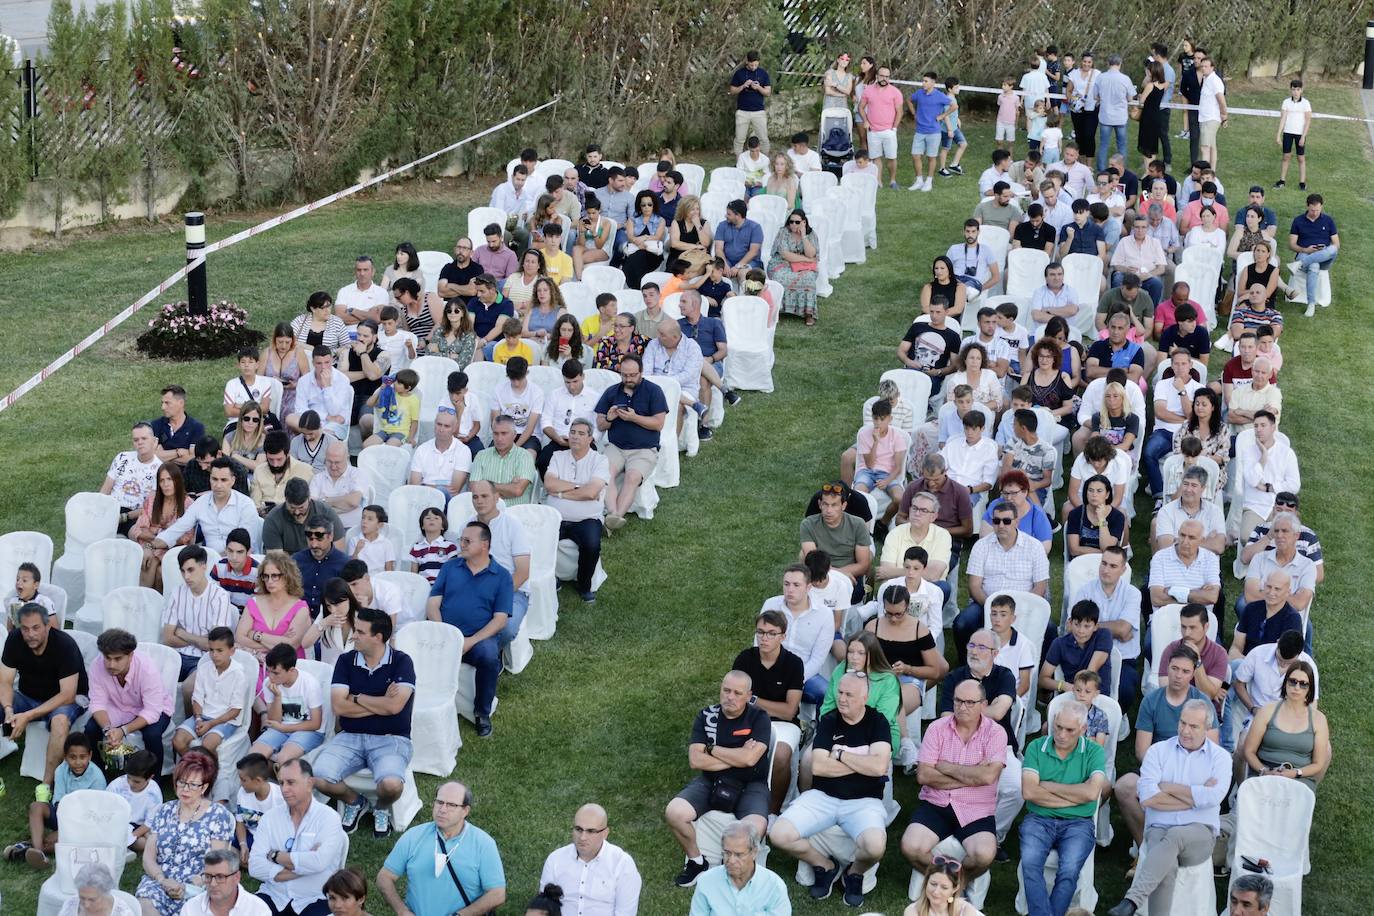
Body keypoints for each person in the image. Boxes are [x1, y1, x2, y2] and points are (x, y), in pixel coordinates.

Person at [770, 672, 891, 908]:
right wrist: (860, 765)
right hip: (823, 797)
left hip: (863, 802)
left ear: (864, 697)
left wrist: (840, 754)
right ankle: (824, 865)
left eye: (849, 694)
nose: (842, 699)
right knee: (778, 834)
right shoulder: (829, 720)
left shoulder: (878, 722)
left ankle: (854, 873)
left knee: (875, 846)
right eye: (840, 692)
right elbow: (819, 767)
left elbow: (878, 767)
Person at [1104, 700, 1230, 916]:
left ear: (1207, 728)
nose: (1185, 730)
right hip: (1158, 828)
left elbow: (1214, 797)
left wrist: (1168, 787)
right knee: (1167, 863)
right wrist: (1195, 795)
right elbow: (1147, 798)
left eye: (1193, 726)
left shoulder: (1220, 758)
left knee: (1175, 836)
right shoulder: (1158, 751)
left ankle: (1131, 901)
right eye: (1182, 723)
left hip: (1199, 834)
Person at [312, 608, 415, 838]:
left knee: (392, 786)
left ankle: (381, 807)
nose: (353, 635)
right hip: (349, 737)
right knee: (317, 777)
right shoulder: (345, 661)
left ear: (377, 637)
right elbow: (339, 706)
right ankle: (355, 802)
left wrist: (356, 697)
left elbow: (395, 707)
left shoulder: (402, 662)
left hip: (391, 739)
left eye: (360, 631)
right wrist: (381, 703)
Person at [664, 671, 772, 889]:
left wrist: (712, 749)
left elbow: (751, 759)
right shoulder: (707, 716)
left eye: (737, 693)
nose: (730, 697)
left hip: (751, 784)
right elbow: (696, 760)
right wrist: (738, 757)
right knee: (674, 812)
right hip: (711, 780)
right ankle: (697, 862)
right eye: (726, 690)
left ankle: (734, 869)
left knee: (756, 827)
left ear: (748, 695)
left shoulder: (759, 717)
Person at [902, 678, 1006, 887]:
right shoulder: (936, 728)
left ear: (983, 705)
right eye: (958, 701)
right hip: (936, 804)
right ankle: (944, 881)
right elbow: (923, 776)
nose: (962, 707)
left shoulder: (995, 733)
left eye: (969, 702)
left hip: (976, 809)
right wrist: (973, 775)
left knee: (984, 855)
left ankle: (956, 884)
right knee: (909, 846)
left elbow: (987, 777)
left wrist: (945, 766)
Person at [1018, 700, 1107, 916]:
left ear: (1083, 729)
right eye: (1058, 727)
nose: (1062, 734)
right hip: (1038, 819)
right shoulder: (1036, 746)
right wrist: (1076, 797)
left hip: (1078, 824)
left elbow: (1091, 793)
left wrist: (1047, 787)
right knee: (1030, 864)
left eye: (1070, 730)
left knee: (1068, 871)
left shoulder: (1094, 751)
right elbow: (1029, 792)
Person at [426, 521, 511, 738]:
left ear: (485, 545)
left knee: (489, 655)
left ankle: (482, 713)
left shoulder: (501, 576)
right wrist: (443, 631)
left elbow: (500, 619)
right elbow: (433, 603)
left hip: (477, 639)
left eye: (467, 541)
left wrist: (471, 641)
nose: (461, 544)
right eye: (461, 539)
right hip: (445, 633)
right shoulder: (450, 567)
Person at [378, 781, 506, 916]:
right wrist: (402, 911)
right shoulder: (413, 836)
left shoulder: (483, 844)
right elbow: (384, 877)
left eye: (451, 805)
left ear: (465, 811)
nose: (442, 809)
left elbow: (497, 894)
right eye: (439, 802)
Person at [137, 751, 236, 916]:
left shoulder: (218, 815)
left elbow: (218, 863)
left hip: (199, 884)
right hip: (160, 880)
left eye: (192, 785)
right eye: (181, 783)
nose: (185, 789)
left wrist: (190, 885)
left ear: (204, 787)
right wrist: (162, 880)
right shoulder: (164, 810)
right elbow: (148, 857)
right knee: (145, 905)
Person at [0, 601, 86, 789]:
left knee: (60, 722)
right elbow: (5, 681)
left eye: (36, 628)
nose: (30, 634)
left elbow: (68, 695)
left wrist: (27, 716)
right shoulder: (14, 639)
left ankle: (46, 785)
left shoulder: (64, 645)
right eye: (25, 629)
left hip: (64, 700)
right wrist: (8, 709)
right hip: (29, 696)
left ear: (48, 626)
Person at [249, 758, 346, 916]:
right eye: (281, 783)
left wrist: (275, 856)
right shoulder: (270, 817)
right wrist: (305, 866)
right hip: (274, 894)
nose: (284, 789)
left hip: (315, 898)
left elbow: (320, 862)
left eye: (291, 782)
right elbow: (254, 866)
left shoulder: (329, 818)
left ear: (310, 783)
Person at [954, 499, 1049, 660]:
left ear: (1017, 522)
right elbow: (974, 586)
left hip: (1024, 606)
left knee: (1049, 629)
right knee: (962, 624)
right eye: (996, 521)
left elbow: (1040, 586)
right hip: (987, 603)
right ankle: (967, 666)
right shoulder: (981, 546)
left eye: (1006, 521)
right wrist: (994, 609)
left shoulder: (1034, 546)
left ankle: (1039, 671)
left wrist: (1017, 611)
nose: (1001, 525)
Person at [8, 731, 104, 869]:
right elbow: (58, 801)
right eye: (72, 757)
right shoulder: (60, 771)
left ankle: (32, 850)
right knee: (36, 806)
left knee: (79, 840)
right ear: (65, 757)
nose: (78, 762)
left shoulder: (97, 777)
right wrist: (63, 827)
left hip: (85, 823)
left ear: (90, 755)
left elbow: (95, 813)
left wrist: (67, 830)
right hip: (63, 815)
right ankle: (38, 849)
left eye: (82, 757)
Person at [595, 355, 669, 529]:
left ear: (641, 373)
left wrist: (635, 418)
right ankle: (614, 515)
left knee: (632, 476)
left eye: (632, 375)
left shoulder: (653, 391)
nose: (628, 379)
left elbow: (659, 424)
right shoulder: (612, 392)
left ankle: (615, 517)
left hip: (644, 449)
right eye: (624, 375)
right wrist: (609, 418)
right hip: (616, 447)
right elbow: (600, 424)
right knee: (606, 473)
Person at [538, 803, 643, 916]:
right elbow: (543, 908)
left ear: (605, 833)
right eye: (578, 829)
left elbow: (625, 913)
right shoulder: (555, 859)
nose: (582, 837)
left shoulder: (622, 865)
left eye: (591, 831)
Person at [1240, 658, 1327, 790]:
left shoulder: (1318, 719)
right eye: (1293, 682)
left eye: (1303, 684)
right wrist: (1265, 771)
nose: (1297, 687)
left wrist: (1294, 773)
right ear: (1285, 683)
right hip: (1265, 773)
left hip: (1299, 778)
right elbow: (1249, 751)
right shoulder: (1267, 711)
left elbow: (1318, 763)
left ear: (1310, 689)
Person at [172, 627, 244, 758]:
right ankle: (194, 769)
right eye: (211, 650)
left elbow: (235, 710)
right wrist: (199, 719)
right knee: (178, 741)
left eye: (220, 650)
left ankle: (207, 773)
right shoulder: (204, 668)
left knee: (207, 746)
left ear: (232, 651)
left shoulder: (238, 674)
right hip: (202, 716)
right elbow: (197, 698)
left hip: (226, 720)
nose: (214, 655)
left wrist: (211, 724)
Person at [689, 821, 788, 915]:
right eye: (727, 853)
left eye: (738, 855)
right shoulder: (706, 882)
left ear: (754, 853)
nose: (731, 860)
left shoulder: (774, 886)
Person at [1235, 411, 1299, 545]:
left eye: (1263, 425)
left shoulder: (1287, 453)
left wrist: (1268, 487)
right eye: (1256, 426)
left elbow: (1294, 485)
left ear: (1273, 427)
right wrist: (1263, 458)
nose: (1258, 429)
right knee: (1247, 537)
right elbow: (1252, 480)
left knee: (1287, 539)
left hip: (1280, 506)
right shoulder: (1249, 452)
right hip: (1255, 506)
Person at [101, 421, 163, 535]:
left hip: (135, 515)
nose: (140, 442)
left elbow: (150, 507)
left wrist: (125, 517)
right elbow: (105, 489)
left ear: (154, 441)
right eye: (136, 440)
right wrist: (99, 508)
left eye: (144, 438)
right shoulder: (122, 457)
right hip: (111, 509)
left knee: (140, 537)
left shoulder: (160, 469)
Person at [261, 478, 345, 555]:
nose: (297, 512)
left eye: (301, 508)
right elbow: (276, 559)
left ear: (309, 499)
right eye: (292, 507)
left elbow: (339, 550)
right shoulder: (273, 519)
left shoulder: (325, 512)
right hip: (288, 568)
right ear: (285, 500)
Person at [766, 208, 821, 326]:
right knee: (779, 276)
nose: (793, 224)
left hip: (802, 267)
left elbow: (811, 253)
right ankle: (778, 310)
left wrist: (804, 236)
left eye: (797, 222)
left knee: (809, 278)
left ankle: (808, 313)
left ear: (804, 222)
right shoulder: (783, 232)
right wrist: (807, 259)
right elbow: (785, 254)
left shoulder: (811, 234)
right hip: (781, 263)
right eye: (791, 221)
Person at [900, 298, 963, 394]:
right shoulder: (917, 327)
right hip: (910, 371)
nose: (934, 316)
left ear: (946, 312)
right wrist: (908, 361)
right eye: (932, 311)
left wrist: (938, 372)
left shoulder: (953, 336)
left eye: (938, 312)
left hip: (932, 377)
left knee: (919, 388)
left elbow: (954, 366)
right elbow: (901, 350)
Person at [1287, 193, 1338, 312]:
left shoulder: (1328, 220)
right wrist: (1306, 250)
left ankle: (1299, 264)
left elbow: (1336, 243)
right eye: (1312, 210)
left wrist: (1322, 251)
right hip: (1305, 252)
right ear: (1307, 206)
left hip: (1324, 256)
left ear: (1322, 207)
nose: (1315, 213)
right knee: (1314, 265)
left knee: (1333, 249)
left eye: (1317, 210)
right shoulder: (1298, 221)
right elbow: (1291, 244)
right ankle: (1311, 304)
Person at [183, 848, 272, 915]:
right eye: (208, 876)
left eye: (220, 877)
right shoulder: (190, 908)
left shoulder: (258, 910)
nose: (213, 884)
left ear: (237, 877)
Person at [857, 65, 904, 189]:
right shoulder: (868, 90)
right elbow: (860, 107)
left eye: (887, 77)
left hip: (889, 131)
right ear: (877, 76)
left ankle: (892, 181)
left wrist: (894, 128)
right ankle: (878, 181)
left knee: (892, 157)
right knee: (876, 157)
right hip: (873, 131)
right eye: (882, 76)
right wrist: (865, 121)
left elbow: (900, 112)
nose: (884, 79)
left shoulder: (895, 92)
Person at [906, 71, 954, 192]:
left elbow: (954, 106)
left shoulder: (940, 96)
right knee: (915, 155)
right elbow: (909, 100)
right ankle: (919, 180)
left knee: (931, 157)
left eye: (926, 81)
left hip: (934, 132)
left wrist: (942, 116)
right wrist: (914, 113)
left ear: (933, 83)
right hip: (919, 131)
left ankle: (929, 181)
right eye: (923, 81)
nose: (923, 83)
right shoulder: (919, 93)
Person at [905, 857, 984, 916]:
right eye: (933, 884)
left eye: (944, 887)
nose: (936, 892)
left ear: (954, 889)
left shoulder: (966, 910)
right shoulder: (913, 911)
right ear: (926, 882)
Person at [151, 384, 206, 468]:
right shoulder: (155, 425)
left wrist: (163, 455)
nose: (163, 407)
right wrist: (177, 452)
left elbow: (193, 460)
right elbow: (150, 455)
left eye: (167, 403)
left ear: (181, 403)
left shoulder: (196, 427)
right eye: (162, 403)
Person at [56, 862, 140, 916]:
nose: (86, 904)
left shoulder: (122, 913)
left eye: (92, 900)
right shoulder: (71, 905)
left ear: (105, 893)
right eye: (82, 897)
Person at [730, 51, 772, 154]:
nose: (753, 67)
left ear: (759, 62)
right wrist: (743, 86)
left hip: (758, 112)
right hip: (742, 112)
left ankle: (764, 162)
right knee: (739, 140)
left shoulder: (763, 73)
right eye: (751, 64)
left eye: (756, 65)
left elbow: (768, 92)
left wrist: (758, 87)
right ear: (747, 62)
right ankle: (739, 163)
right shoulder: (739, 73)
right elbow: (732, 91)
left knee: (763, 139)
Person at [713, 200, 764, 281]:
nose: (726, 216)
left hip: (749, 262)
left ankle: (743, 293)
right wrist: (724, 264)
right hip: (727, 260)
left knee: (743, 274)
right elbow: (718, 249)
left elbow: (753, 252)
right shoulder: (722, 225)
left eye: (729, 214)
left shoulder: (755, 228)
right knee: (716, 271)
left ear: (738, 215)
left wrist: (738, 266)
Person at [1276, 79, 1311, 189]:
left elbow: (1308, 120)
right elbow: (1283, 119)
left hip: (1300, 134)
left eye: (1298, 89)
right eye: (1293, 89)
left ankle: (1302, 183)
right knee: (1286, 156)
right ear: (1290, 90)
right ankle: (1282, 181)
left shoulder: (1306, 103)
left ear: (1301, 90)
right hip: (1287, 133)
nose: (1295, 92)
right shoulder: (1286, 102)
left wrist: (1303, 136)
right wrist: (1278, 135)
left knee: (1300, 158)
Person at [1194, 56, 1228, 170]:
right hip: (1205, 117)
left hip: (1210, 118)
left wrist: (1224, 115)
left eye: (1206, 66)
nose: (1203, 68)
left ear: (1212, 67)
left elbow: (1221, 100)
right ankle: (1211, 172)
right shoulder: (1206, 79)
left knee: (1205, 148)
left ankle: (1205, 173)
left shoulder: (1214, 81)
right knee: (1212, 147)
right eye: (1202, 66)